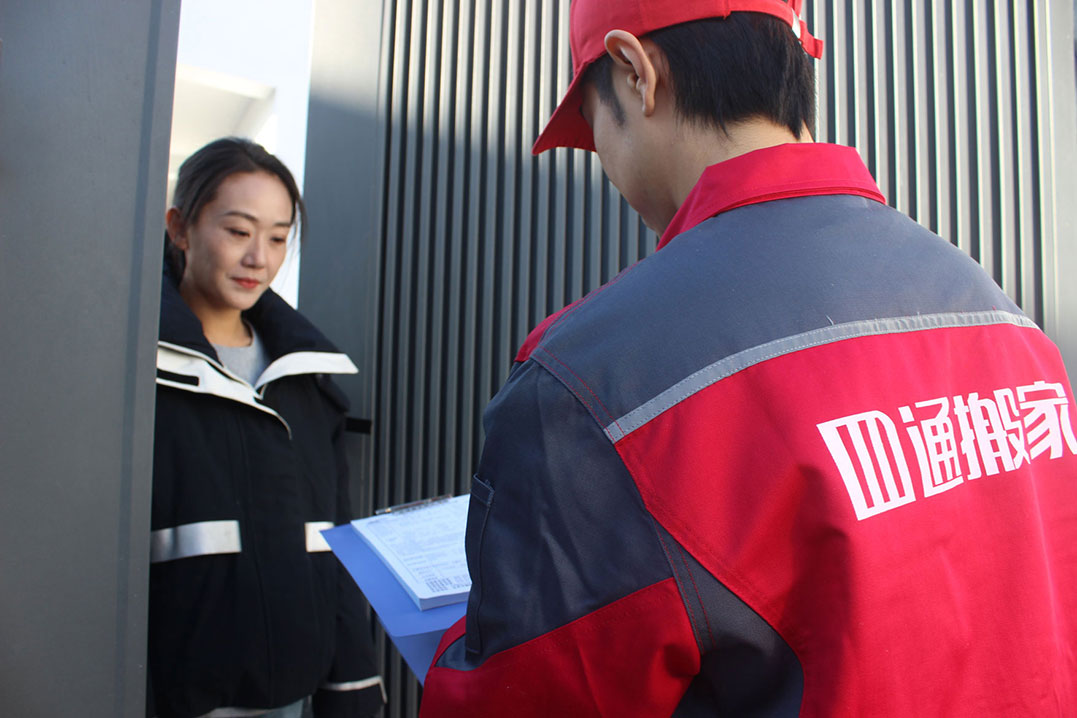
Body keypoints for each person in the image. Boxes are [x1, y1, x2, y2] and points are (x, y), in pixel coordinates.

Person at [419, 1, 1077, 715]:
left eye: (591, 124)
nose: (603, 160)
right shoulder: (997, 316)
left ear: (635, 72)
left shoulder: (590, 385)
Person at [149, 138, 384, 718]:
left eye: (278, 238)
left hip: (292, 699)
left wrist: (352, 694)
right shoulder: (135, 374)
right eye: (238, 231)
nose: (259, 257)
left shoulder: (307, 382)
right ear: (179, 228)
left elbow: (334, 552)